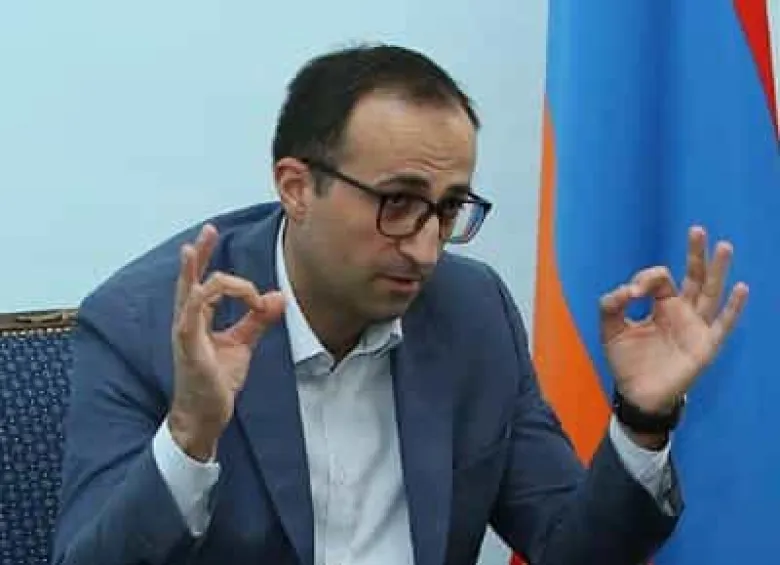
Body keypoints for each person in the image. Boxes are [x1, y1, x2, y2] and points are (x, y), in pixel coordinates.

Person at [52, 44, 748, 565]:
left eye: (448, 208)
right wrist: (189, 435)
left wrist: (642, 420)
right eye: (398, 202)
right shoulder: (147, 326)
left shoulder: (473, 313)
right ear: (296, 187)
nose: (425, 248)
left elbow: (572, 547)